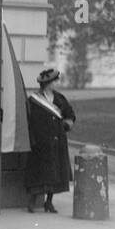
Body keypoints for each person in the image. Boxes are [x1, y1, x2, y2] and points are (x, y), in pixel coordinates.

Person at [25, 68, 76, 213]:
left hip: (57, 141)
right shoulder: (33, 100)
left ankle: (49, 202)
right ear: (47, 83)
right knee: (38, 172)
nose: (56, 83)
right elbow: (27, 119)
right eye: (54, 81)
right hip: (40, 142)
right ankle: (32, 201)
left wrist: (66, 125)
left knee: (54, 172)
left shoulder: (60, 99)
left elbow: (70, 115)